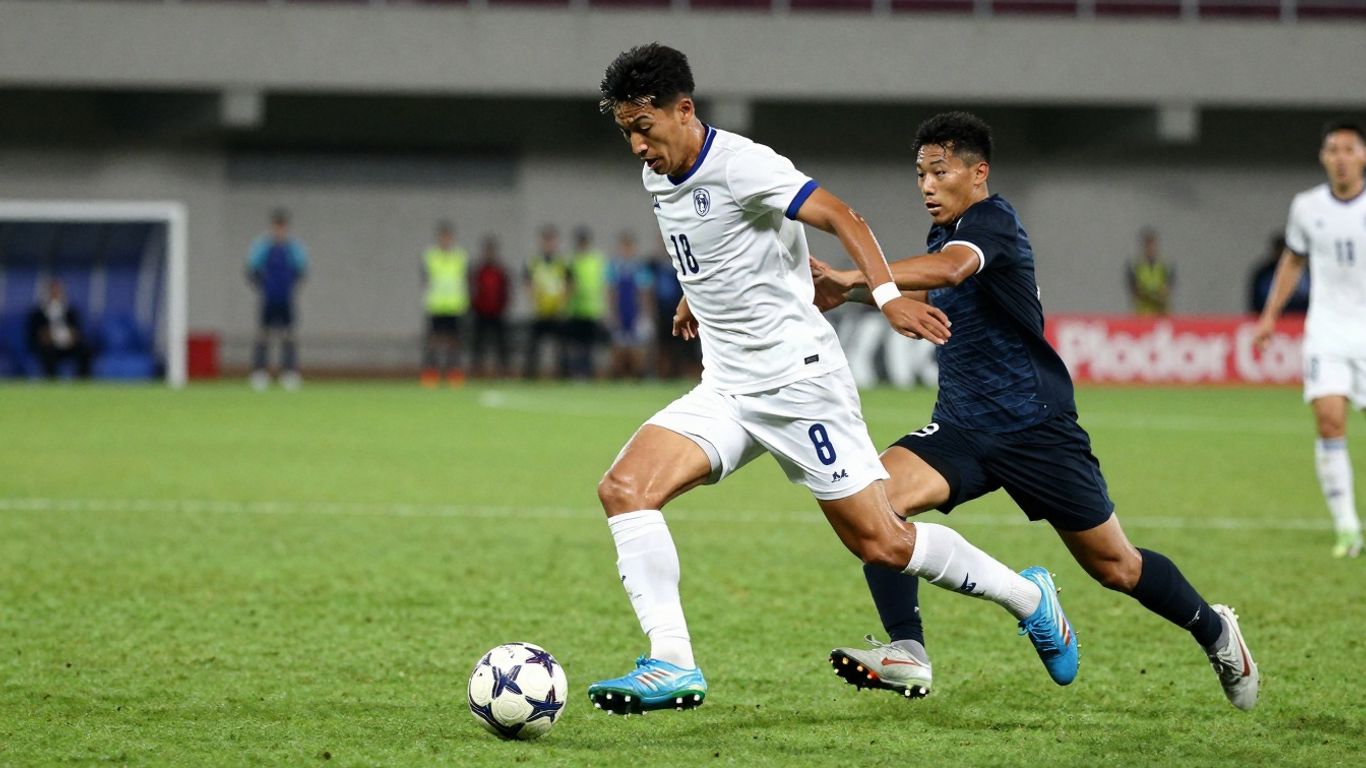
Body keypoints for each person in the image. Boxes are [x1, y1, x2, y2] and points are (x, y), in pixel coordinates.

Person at [587, 45, 1078, 716]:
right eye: (626, 133)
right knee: (624, 489)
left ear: (684, 110)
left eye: (645, 127)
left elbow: (846, 217)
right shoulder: (659, 177)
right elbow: (710, 247)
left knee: (882, 541)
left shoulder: (744, 164)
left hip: (800, 387)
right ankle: (671, 660)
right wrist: (692, 295)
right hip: (729, 388)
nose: (638, 145)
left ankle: (1029, 597)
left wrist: (884, 297)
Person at [811, 111, 1259, 711]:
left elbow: (949, 271)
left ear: (978, 173)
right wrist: (851, 288)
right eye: (919, 173)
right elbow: (923, 286)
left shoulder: (992, 223)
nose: (925, 185)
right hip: (964, 425)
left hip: (1035, 426)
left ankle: (1216, 631)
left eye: (939, 172)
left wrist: (858, 272)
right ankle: (908, 651)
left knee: (1117, 567)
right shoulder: (943, 235)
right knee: (875, 505)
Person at [1253, 119, 1366, 559]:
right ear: (1323, 157)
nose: (1340, 158)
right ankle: (1347, 528)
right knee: (1329, 421)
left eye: (1348, 149)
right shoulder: (1306, 207)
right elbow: (1292, 264)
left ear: (1362, 156)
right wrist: (1269, 318)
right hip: (1327, 332)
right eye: (1332, 150)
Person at [247, 208, 308, 391]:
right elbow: (251, 270)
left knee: (288, 334)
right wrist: (263, 287)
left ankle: (289, 372)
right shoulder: (262, 247)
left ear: (286, 228)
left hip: (286, 297)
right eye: (276, 227)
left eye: (282, 227)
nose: (279, 231)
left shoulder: (294, 248)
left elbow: (302, 270)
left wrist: (290, 288)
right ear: (272, 227)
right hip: (268, 297)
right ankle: (259, 372)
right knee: (263, 334)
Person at [420, 220, 470, 387]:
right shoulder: (430, 256)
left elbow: (465, 279)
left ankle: (453, 373)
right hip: (436, 305)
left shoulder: (460, 257)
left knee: (454, 341)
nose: (446, 240)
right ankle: (431, 373)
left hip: (455, 305)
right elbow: (425, 280)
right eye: (443, 237)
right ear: (439, 238)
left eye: (448, 237)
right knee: (433, 341)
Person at [606, 230, 654, 379]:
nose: (627, 250)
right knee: (618, 348)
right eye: (624, 246)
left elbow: (645, 293)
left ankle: (638, 376)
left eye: (629, 246)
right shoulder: (614, 267)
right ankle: (618, 378)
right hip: (621, 312)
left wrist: (646, 314)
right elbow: (611, 292)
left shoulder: (640, 268)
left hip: (635, 313)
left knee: (637, 349)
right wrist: (612, 313)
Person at [523, 225, 568, 380]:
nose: (549, 244)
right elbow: (528, 283)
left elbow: (569, 284)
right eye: (546, 240)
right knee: (533, 347)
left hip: (556, 311)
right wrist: (533, 302)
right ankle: (530, 377)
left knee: (561, 347)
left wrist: (563, 303)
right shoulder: (534, 262)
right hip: (540, 311)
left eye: (551, 240)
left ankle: (563, 376)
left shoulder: (562, 263)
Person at [563, 226, 609, 380]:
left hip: (592, 309)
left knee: (590, 346)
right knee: (576, 345)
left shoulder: (597, 260)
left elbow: (603, 285)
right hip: (576, 309)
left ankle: (588, 373)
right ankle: (576, 373)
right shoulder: (572, 261)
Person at [648, 236, 695, 380]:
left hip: (682, 310)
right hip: (663, 312)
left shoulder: (683, 263)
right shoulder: (655, 265)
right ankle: (663, 375)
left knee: (685, 346)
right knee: (664, 347)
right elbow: (650, 289)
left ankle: (685, 375)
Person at [26, 279, 92, 379]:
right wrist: (43, 337)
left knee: (85, 350)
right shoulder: (37, 313)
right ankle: (51, 383)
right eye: (53, 291)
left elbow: (79, 331)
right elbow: (32, 335)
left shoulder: (71, 312)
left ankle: (82, 383)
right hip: (49, 346)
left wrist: (73, 336)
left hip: (69, 345)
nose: (55, 293)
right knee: (47, 353)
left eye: (58, 291)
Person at [470, 235, 511, 378]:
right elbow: (473, 289)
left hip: (497, 313)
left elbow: (505, 290)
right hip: (480, 313)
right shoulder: (479, 271)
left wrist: (503, 306)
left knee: (501, 345)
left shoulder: (500, 271)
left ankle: (503, 371)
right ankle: (477, 371)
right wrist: (474, 306)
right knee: (478, 345)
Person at [1248, 233, 1309, 314]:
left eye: (1287, 251)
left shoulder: (1306, 272)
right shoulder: (1263, 274)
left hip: (1301, 319)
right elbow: (1257, 301)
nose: (1283, 255)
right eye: (1280, 250)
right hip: (1274, 318)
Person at [1127, 227, 1174, 316]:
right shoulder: (1135, 266)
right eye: (1148, 245)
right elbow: (1135, 291)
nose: (1150, 248)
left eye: (1152, 244)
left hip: (1161, 314)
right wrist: (1152, 294)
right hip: (1142, 315)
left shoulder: (1165, 266)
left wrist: (1154, 293)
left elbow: (1167, 290)